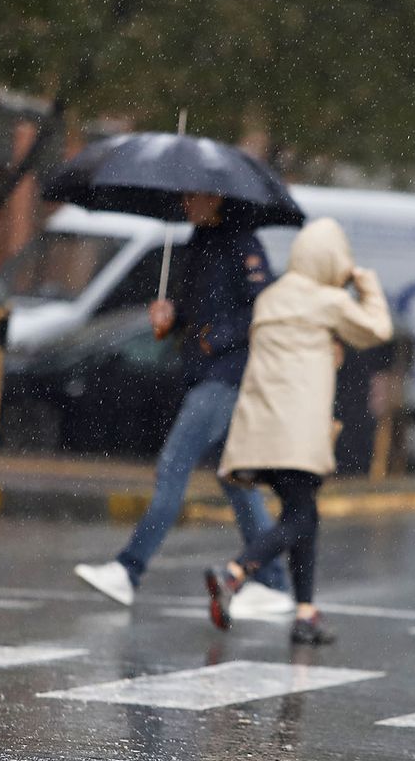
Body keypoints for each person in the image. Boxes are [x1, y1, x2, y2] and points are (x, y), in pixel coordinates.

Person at [74, 192, 292, 615]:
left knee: (173, 467)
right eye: (185, 195)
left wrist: (215, 338)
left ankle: (129, 570)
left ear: (217, 196)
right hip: (203, 373)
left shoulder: (241, 242)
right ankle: (272, 582)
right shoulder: (199, 241)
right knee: (236, 482)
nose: (187, 202)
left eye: (195, 195)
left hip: (225, 378)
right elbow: (196, 310)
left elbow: (263, 307)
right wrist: (170, 317)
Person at [203, 217, 393, 645]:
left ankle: (305, 614)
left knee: (302, 514)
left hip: (259, 427)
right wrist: (365, 283)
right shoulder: (327, 301)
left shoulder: (270, 297)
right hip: (296, 432)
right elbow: (378, 329)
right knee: (302, 515)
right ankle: (234, 572)